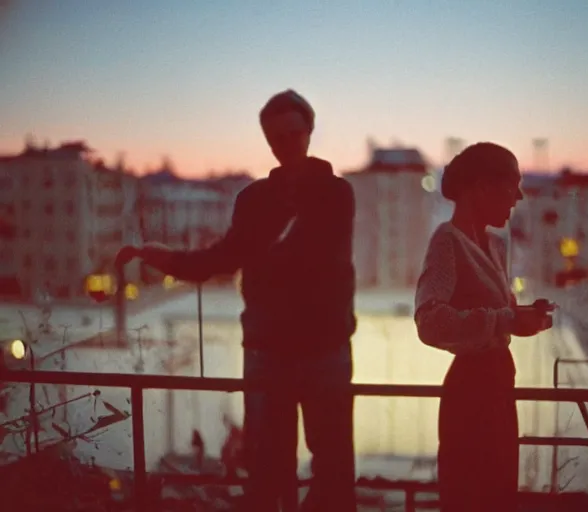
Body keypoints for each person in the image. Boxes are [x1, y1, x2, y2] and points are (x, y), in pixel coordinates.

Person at [116, 89, 357, 512]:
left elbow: (255, 254)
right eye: (277, 137)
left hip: (312, 349)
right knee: (271, 468)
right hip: (286, 350)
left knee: (328, 468)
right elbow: (229, 257)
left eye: (293, 133)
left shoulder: (334, 194)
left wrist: (196, 258)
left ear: (308, 132)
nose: (286, 144)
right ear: (269, 142)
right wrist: (167, 258)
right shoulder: (260, 199)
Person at [413, 142, 554, 512]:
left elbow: (494, 316)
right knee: (472, 498)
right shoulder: (447, 242)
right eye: (511, 186)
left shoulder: (494, 245)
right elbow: (429, 322)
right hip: (470, 396)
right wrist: (506, 320)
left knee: (498, 496)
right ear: (479, 187)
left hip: (496, 391)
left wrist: (524, 317)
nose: (517, 197)